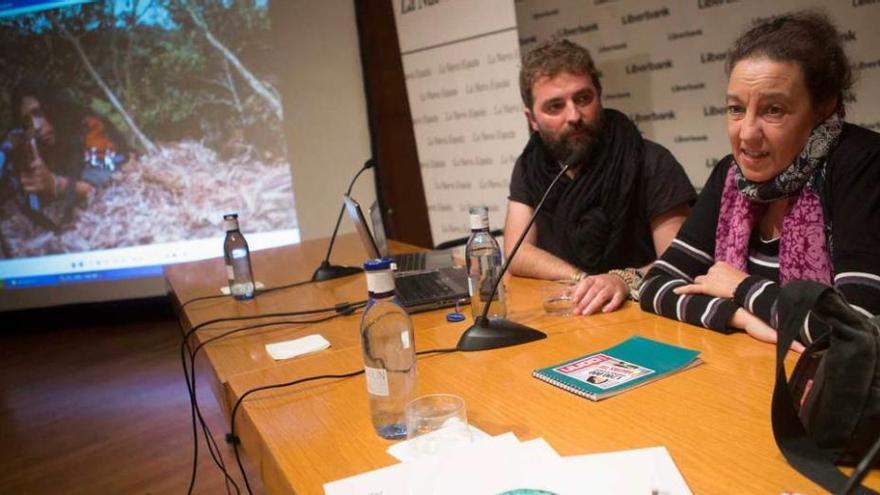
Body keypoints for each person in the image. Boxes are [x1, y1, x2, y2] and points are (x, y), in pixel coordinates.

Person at [639, 11, 880, 351]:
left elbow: (855, 331)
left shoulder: (861, 164)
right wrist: (741, 317)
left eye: (774, 110)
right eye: (736, 109)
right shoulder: (730, 175)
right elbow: (655, 286)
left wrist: (742, 287)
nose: (748, 134)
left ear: (824, 108)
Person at [506, 39, 696, 315]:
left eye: (583, 98)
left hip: (640, 314)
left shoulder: (650, 162)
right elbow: (517, 252)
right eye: (554, 106)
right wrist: (582, 280)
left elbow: (681, 262)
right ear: (531, 119)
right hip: (572, 311)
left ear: (600, 95)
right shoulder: (530, 166)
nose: (574, 115)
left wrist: (621, 279)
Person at [2, 79, 129, 227]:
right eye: (27, 121)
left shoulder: (88, 125)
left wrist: (54, 184)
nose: (36, 126)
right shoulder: (32, 142)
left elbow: (101, 183)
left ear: (54, 107)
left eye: (38, 113)